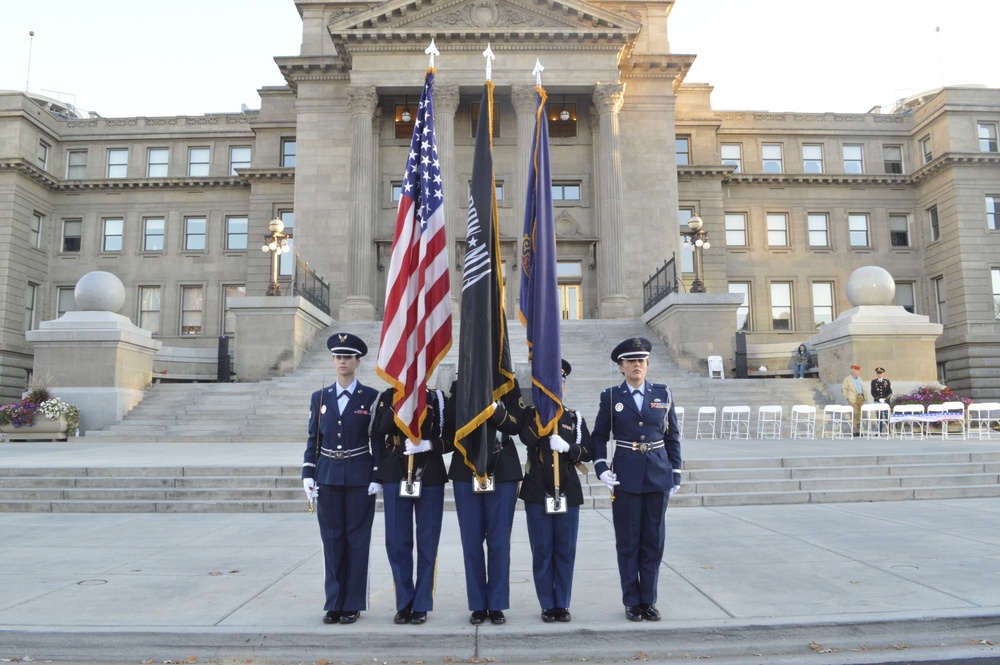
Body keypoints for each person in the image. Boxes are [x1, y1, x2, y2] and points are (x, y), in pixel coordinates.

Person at [592, 337, 682, 622]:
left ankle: (649, 600)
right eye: (630, 361)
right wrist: (601, 467)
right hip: (626, 477)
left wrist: (676, 472)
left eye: (641, 361)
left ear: (647, 364)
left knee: (653, 541)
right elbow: (598, 436)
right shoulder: (611, 397)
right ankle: (632, 600)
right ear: (621, 367)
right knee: (628, 541)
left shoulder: (663, 393)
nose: (636, 365)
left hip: (658, 474)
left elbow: (672, 436)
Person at [301, 332, 382, 625]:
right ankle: (334, 602)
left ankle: (353, 603)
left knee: (357, 540)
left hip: (360, 476)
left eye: (347, 357)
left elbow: (378, 440)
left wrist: (377, 474)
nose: (342, 362)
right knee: (332, 540)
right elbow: (314, 437)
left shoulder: (371, 397)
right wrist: (308, 473)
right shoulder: (320, 397)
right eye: (338, 357)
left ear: (358, 362)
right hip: (328, 476)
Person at [444, 379, 526, 626]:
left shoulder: (509, 384)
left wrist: (495, 410)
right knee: (471, 542)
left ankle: (497, 604)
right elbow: (449, 423)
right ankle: (478, 605)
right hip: (466, 465)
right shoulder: (462, 384)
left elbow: (517, 424)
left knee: (499, 542)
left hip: (502, 466)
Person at [518, 360, 593, 623]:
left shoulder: (574, 417)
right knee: (542, 550)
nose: (557, 386)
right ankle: (547, 604)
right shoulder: (531, 414)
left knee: (565, 550)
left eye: (560, 382)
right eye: (551, 383)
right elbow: (526, 438)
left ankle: (562, 603)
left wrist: (567, 448)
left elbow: (588, 451)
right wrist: (542, 416)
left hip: (568, 491)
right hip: (538, 491)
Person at [372, 386, 448, 626]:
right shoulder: (387, 396)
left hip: (430, 474)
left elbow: (452, 436)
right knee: (397, 542)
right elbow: (380, 429)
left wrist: (429, 445)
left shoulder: (438, 399)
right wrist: (400, 402)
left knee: (428, 542)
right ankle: (404, 602)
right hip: (396, 472)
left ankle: (422, 603)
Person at [841, 364, 867, 437]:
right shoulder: (847, 379)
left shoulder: (859, 378)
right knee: (854, 414)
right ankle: (854, 431)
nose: (859, 373)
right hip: (853, 398)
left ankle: (859, 431)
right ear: (854, 372)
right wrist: (847, 397)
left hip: (861, 397)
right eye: (857, 372)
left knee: (859, 415)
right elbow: (844, 389)